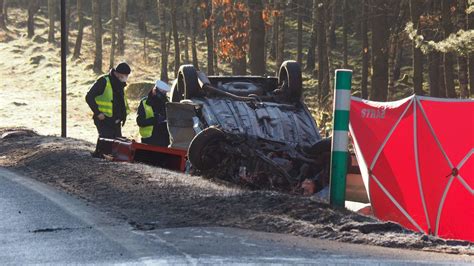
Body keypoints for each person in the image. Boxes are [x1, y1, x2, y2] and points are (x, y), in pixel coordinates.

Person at [86, 62, 131, 155]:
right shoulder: (104, 81)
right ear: (118, 73)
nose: (126, 77)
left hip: (116, 121)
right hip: (104, 119)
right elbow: (89, 97)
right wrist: (98, 113)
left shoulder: (120, 83)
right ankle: (99, 159)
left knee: (115, 147)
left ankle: (101, 157)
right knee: (106, 146)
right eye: (125, 75)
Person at [136, 80, 170, 147]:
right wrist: (156, 119)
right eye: (162, 92)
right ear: (155, 90)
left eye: (165, 93)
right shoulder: (144, 102)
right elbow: (140, 122)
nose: (163, 95)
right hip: (149, 140)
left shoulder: (166, 103)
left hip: (164, 140)